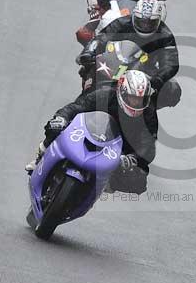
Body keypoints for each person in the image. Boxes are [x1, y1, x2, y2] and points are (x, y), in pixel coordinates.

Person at [26, 71, 157, 194]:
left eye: (141, 99)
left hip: (120, 150)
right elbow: (78, 106)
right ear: (122, 92)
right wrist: (62, 118)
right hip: (90, 132)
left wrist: (133, 158)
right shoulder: (105, 95)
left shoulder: (149, 114)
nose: (137, 103)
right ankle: (41, 156)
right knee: (55, 126)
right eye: (132, 98)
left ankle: (104, 186)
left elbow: (148, 144)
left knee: (139, 181)